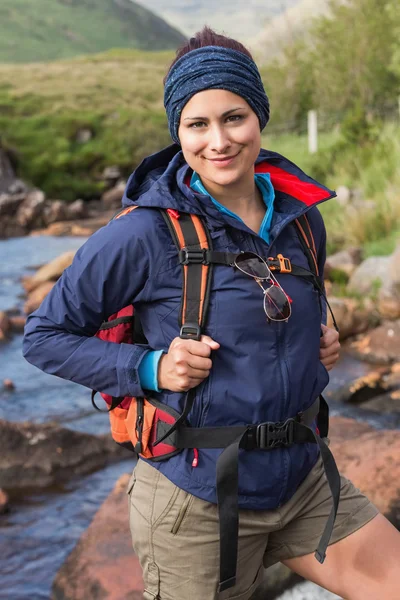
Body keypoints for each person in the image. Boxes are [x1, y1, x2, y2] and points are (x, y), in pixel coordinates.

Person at [23, 26, 400, 600]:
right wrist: (151, 368)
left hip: (301, 480)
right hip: (196, 499)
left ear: (260, 118)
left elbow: (280, 310)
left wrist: (319, 339)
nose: (218, 141)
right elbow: (43, 336)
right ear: (177, 132)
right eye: (197, 125)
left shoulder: (302, 219)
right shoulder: (144, 234)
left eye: (234, 117)